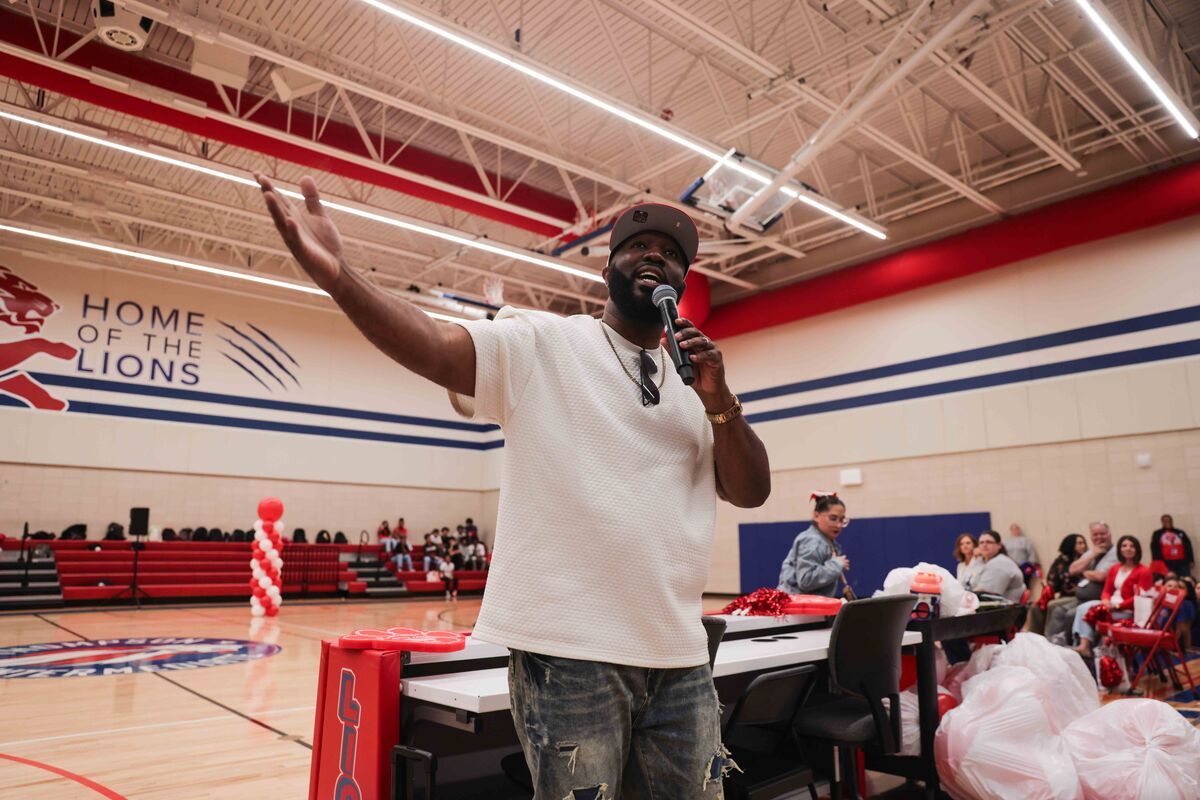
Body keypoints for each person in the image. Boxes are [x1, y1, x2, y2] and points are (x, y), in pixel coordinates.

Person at [257, 177, 769, 798]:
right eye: (639, 246)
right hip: (569, 656)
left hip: (680, 655)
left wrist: (721, 400)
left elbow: (751, 491)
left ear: (682, 282)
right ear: (606, 269)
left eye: (671, 253)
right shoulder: (543, 342)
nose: (656, 256)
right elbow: (434, 346)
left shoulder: (698, 386)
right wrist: (342, 279)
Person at [1073, 535, 1153, 657]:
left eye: (1132, 546)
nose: (1128, 548)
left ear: (1137, 550)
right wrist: (1105, 601)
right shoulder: (1114, 569)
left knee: (1089, 611)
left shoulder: (1144, 571)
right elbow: (1107, 590)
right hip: (1110, 605)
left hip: (1127, 610)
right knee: (1082, 608)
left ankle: (1086, 646)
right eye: (1124, 546)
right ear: (1119, 549)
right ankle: (1084, 645)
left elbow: (1140, 598)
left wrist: (1118, 606)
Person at [1044, 522, 1119, 645]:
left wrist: (1083, 571)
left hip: (1100, 599)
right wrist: (1092, 555)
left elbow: (1101, 576)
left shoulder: (1115, 553)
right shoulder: (1093, 551)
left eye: (1102, 534)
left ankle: (1069, 644)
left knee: (1070, 614)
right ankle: (1049, 643)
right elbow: (1072, 569)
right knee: (1057, 610)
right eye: (1095, 535)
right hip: (1081, 598)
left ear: (1109, 534)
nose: (1099, 537)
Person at [777, 493, 851, 598]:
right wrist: (836, 564)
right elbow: (806, 580)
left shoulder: (826, 541)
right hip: (798, 604)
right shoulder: (813, 541)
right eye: (833, 518)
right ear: (816, 516)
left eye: (842, 520)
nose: (838, 525)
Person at [1028, 534, 1087, 635]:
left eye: (1083, 543)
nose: (1083, 546)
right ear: (1071, 545)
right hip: (1063, 595)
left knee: (1052, 605)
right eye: (1079, 543)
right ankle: (1035, 636)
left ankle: (1049, 635)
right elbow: (1052, 581)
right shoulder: (1060, 561)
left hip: (1077, 596)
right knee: (1035, 607)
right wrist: (1047, 585)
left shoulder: (1085, 560)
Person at [962, 530, 1025, 603]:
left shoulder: (1000, 564)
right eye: (981, 542)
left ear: (999, 545)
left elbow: (983, 595)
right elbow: (967, 584)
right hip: (987, 604)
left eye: (988, 542)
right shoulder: (982, 561)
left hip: (1001, 607)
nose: (984, 545)